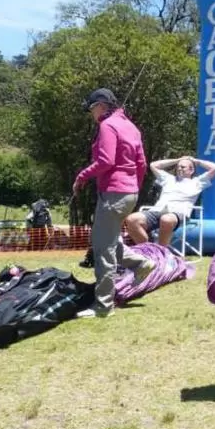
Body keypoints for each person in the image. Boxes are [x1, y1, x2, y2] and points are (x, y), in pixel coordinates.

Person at [72, 88, 155, 318]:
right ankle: (140, 264)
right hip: (129, 193)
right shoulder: (131, 126)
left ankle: (103, 306)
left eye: (91, 109)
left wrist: (82, 176)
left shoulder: (107, 126)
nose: (91, 114)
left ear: (100, 105)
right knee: (107, 240)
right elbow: (142, 164)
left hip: (113, 193)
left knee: (102, 248)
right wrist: (133, 186)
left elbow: (105, 161)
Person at [125, 155, 215, 247]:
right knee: (131, 219)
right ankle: (148, 249)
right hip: (158, 210)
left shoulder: (198, 182)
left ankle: (161, 251)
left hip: (178, 213)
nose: (179, 169)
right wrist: (177, 160)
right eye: (177, 167)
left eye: (183, 167)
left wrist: (195, 161)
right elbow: (154, 165)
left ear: (191, 170)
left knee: (166, 219)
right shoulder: (168, 178)